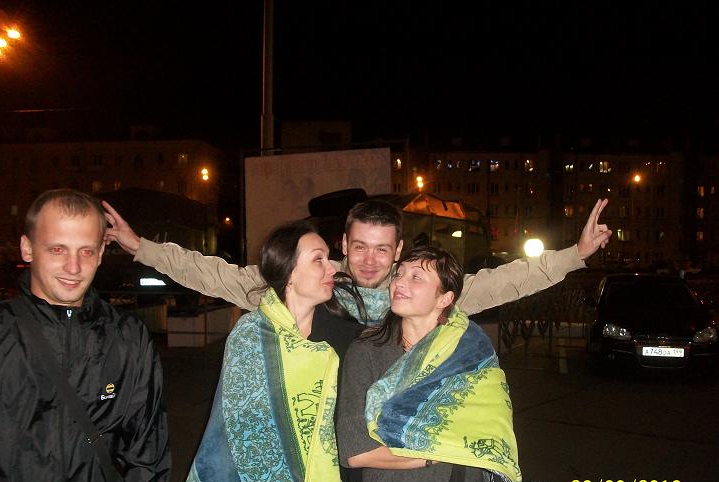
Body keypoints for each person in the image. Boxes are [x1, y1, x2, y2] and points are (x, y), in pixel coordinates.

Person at [0, 189, 170, 482]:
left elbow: (148, 445)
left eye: (86, 251)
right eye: (58, 249)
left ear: (100, 253)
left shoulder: (127, 337)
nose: (74, 267)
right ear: (27, 249)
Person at [165, 220, 361, 482]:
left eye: (328, 258)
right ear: (289, 271)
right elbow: (232, 432)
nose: (332, 267)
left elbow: (352, 423)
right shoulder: (249, 335)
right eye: (318, 259)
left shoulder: (344, 336)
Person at [101, 198, 611, 324]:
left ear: (399, 251)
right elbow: (218, 275)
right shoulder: (310, 283)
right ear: (343, 242)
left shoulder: (418, 292)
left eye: (383, 248)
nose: (370, 260)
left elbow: (499, 283)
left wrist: (574, 255)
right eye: (360, 245)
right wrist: (142, 248)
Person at [336, 245, 520, 482]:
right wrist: (433, 453)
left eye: (416, 277)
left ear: (445, 298)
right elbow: (356, 451)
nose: (399, 282)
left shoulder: (470, 351)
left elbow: (493, 430)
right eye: (399, 274)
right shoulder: (367, 351)